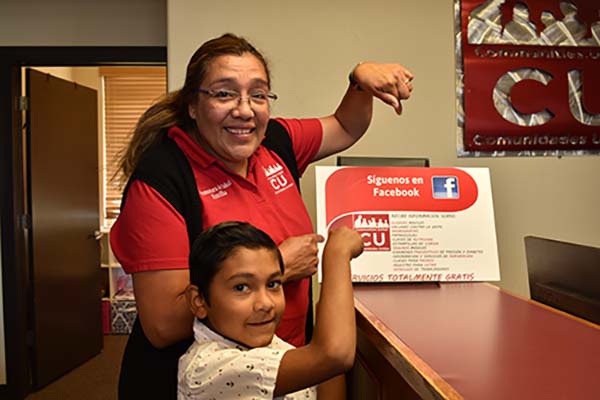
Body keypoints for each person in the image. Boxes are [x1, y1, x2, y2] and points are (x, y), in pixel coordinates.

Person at [110, 32, 413, 399]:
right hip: (207, 383)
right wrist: (279, 267)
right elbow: (162, 324)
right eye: (224, 93)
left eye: (258, 94)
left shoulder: (275, 141)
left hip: (287, 366)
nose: (244, 109)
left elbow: (346, 126)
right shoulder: (163, 178)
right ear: (192, 105)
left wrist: (360, 80)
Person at [178, 221, 364, 399]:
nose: (265, 303)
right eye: (241, 287)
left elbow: (329, 369)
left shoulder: (264, 343)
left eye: (273, 284)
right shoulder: (206, 368)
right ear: (199, 301)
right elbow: (334, 356)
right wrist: (337, 253)